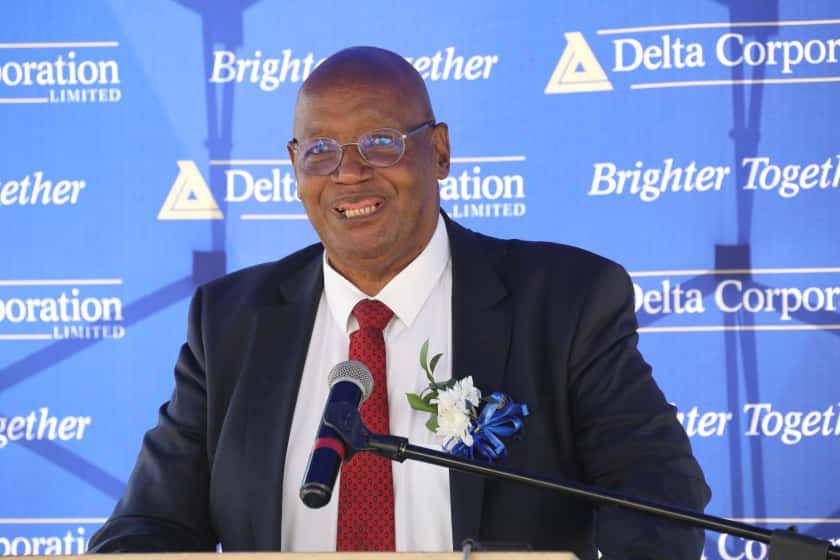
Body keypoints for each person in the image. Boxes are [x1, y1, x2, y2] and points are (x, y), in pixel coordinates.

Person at [88, 46, 710, 559]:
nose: (348, 173)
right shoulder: (230, 324)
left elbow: (656, 497)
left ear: (439, 152)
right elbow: (148, 525)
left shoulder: (564, 302)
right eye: (321, 150)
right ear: (295, 166)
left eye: (380, 142)